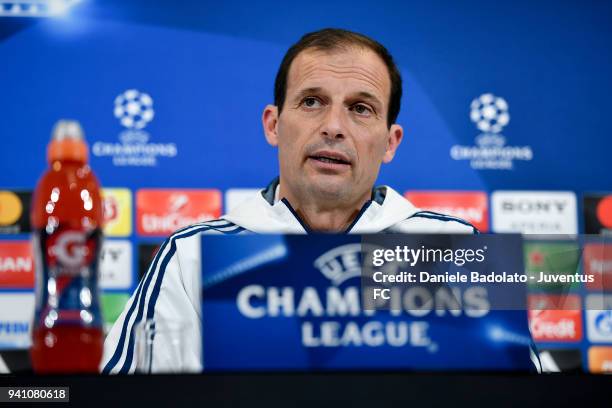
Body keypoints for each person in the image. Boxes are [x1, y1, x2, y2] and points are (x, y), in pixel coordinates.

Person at [101, 28, 477, 374]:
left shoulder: (457, 250)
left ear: (390, 142)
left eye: (361, 108)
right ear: (274, 125)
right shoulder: (195, 254)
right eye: (312, 101)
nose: (334, 127)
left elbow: (514, 393)